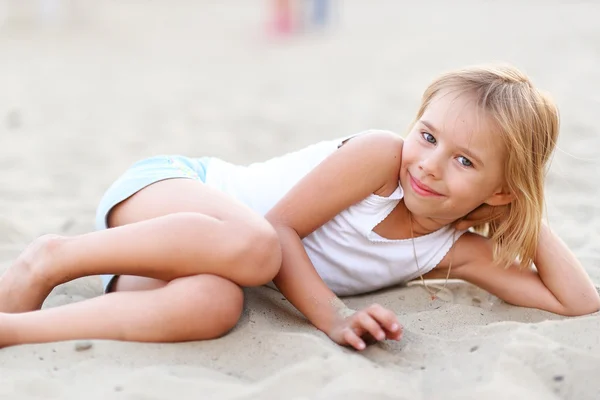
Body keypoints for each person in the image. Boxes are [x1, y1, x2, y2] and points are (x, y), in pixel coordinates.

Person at [0, 64, 598, 351]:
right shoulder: (377, 159)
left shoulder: (455, 251)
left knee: (214, 305)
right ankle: (52, 258)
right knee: (258, 248)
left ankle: (16, 331)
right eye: (428, 134)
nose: (429, 165)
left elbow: (577, 302)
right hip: (169, 193)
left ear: (498, 191)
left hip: (197, 264)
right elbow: (281, 229)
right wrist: (334, 316)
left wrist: (526, 208)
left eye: (465, 162)